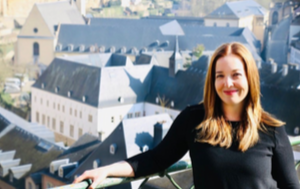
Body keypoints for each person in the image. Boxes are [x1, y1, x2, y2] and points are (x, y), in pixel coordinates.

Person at [73, 42, 300, 189]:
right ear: (212, 80)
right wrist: (106, 169)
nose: (228, 83)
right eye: (220, 75)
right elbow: (155, 159)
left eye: (236, 75)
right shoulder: (195, 120)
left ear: (249, 78)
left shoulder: (271, 130)